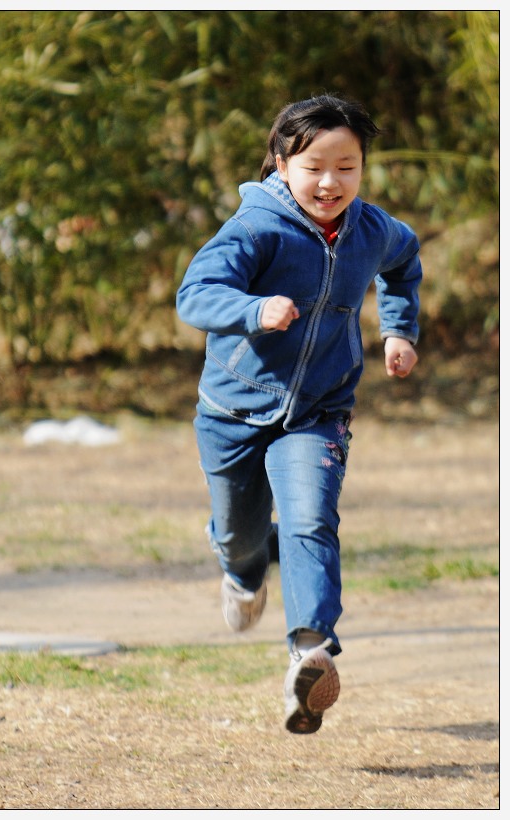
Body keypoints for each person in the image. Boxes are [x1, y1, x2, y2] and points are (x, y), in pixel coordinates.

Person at [176, 93, 421, 734]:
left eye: (348, 166)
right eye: (315, 165)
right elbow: (194, 294)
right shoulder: (257, 227)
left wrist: (399, 330)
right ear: (282, 162)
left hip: (320, 409)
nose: (331, 181)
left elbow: (403, 259)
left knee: (311, 518)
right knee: (240, 532)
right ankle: (242, 572)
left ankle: (309, 653)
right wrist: (254, 310)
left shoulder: (370, 229)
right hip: (233, 409)